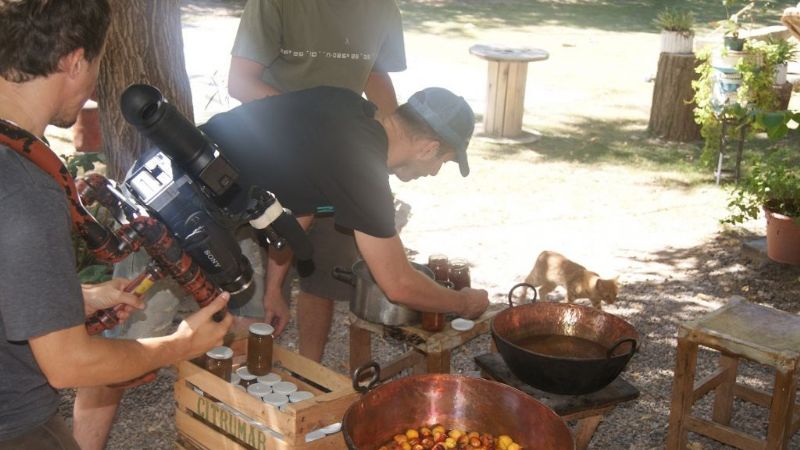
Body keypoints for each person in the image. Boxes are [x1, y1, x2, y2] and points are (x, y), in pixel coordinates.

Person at [0, 1, 233, 449]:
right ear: (74, 61)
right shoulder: (26, 188)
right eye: (98, 63)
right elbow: (70, 365)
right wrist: (180, 344)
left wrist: (69, 299)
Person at [227, 0, 408, 362]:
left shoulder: (382, 8)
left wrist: (397, 140)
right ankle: (238, 388)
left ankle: (308, 377)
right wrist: (313, 124)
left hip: (338, 160)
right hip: (268, 154)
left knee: (323, 280)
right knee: (247, 287)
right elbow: (240, 82)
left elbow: (374, 74)